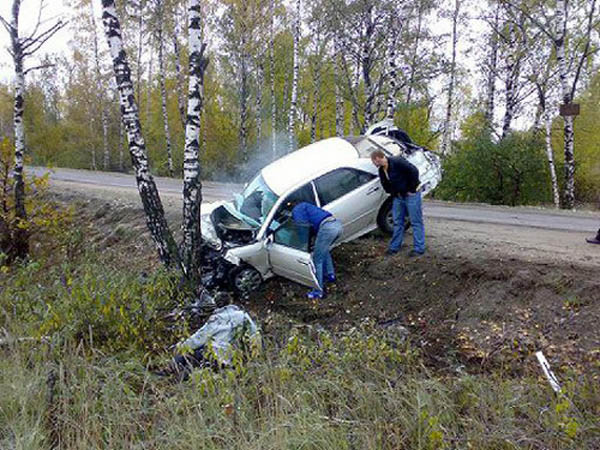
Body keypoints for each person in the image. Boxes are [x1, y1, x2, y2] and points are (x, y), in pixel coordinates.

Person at [370, 149, 425, 256]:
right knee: (397, 222)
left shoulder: (397, 162)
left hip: (411, 195)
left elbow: (414, 171)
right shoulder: (382, 170)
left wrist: (412, 189)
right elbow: (385, 184)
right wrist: (393, 193)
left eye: (373, 161)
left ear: (377, 158)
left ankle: (419, 248)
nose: (374, 164)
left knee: (415, 221)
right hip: (398, 197)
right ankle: (394, 247)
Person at [291, 201, 343, 299]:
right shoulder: (307, 206)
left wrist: (303, 244)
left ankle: (318, 291)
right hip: (337, 225)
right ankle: (330, 274)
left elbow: (302, 228)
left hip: (327, 228)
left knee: (317, 259)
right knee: (324, 250)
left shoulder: (297, 210)